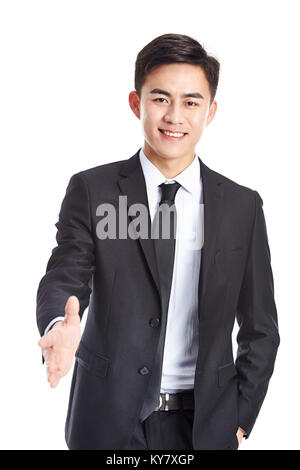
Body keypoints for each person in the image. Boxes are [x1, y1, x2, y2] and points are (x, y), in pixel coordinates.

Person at [36, 33, 280, 450]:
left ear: (210, 111)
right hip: (108, 421)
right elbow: (67, 270)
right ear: (137, 103)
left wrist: (240, 419)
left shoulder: (242, 206)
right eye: (161, 99)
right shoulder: (93, 191)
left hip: (205, 425)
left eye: (191, 102)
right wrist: (60, 322)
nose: (175, 117)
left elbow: (261, 327)